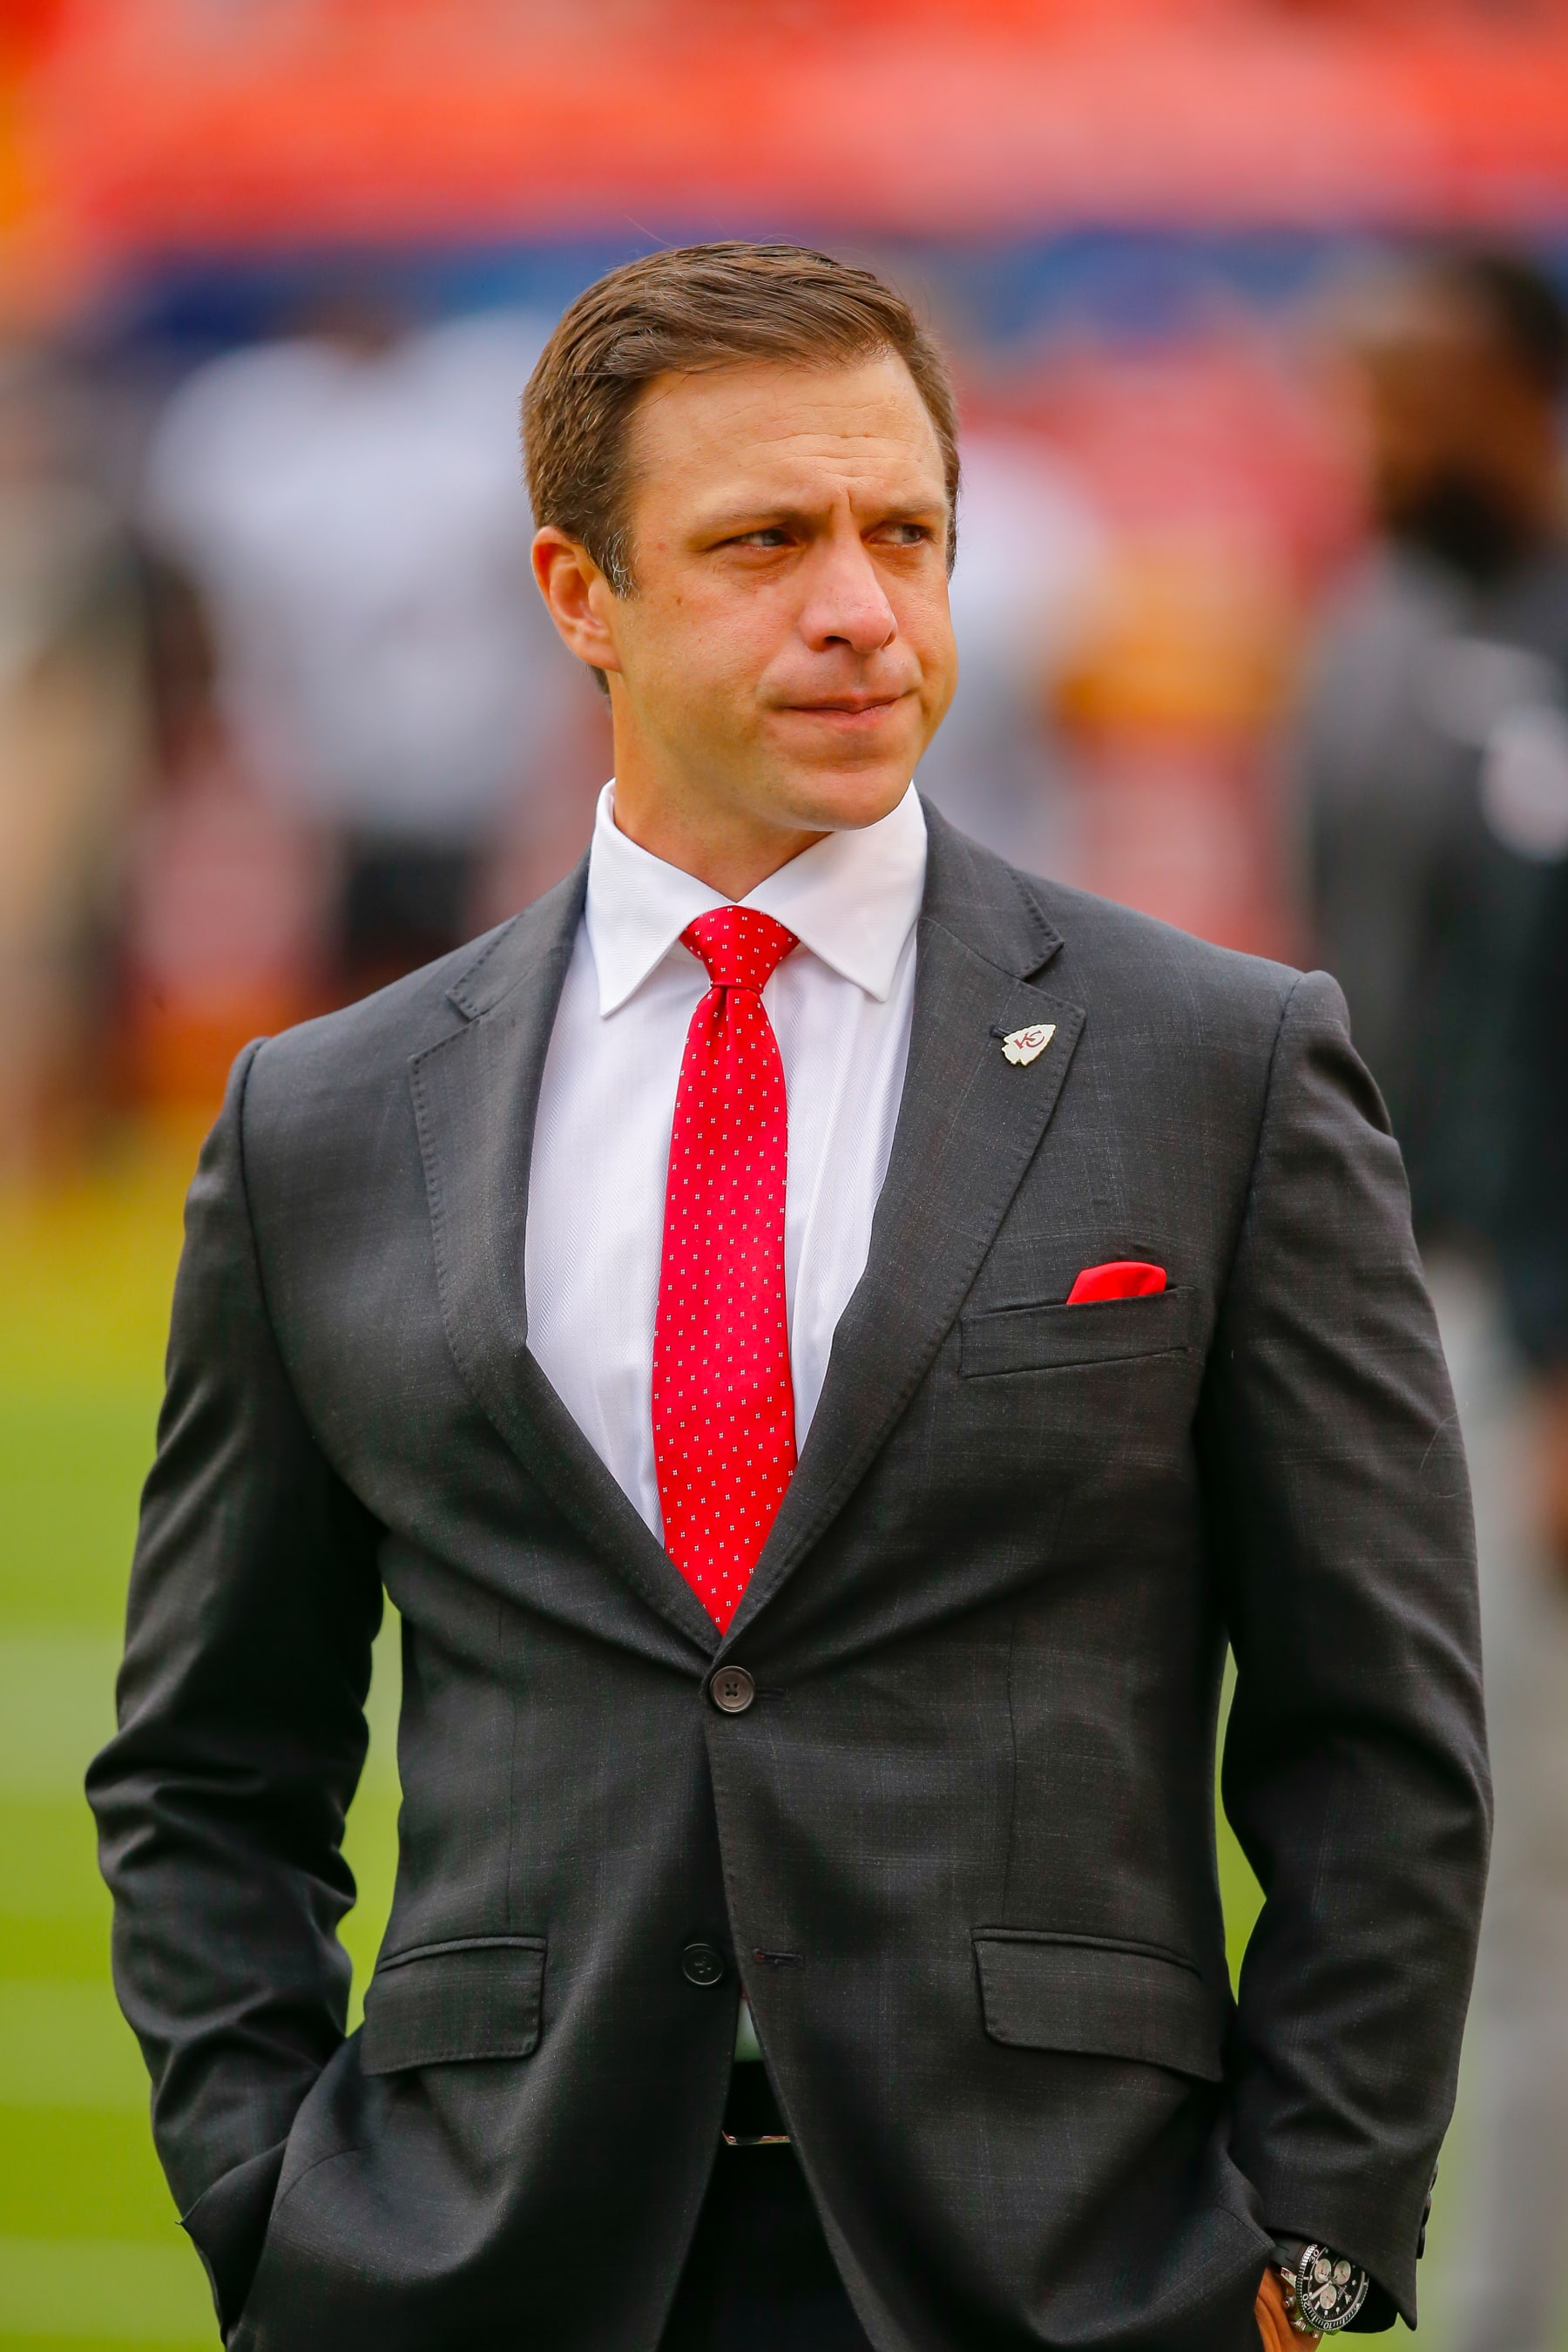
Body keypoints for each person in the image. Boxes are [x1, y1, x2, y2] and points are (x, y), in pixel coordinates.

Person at [89, 243, 1487, 2352]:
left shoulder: (1223, 1060)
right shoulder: (326, 1113)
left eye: (905, 533)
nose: (862, 607)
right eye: (765, 541)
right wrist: (276, 2207)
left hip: (1066, 2268)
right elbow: (211, 1760)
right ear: (579, 592)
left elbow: (1378, 1736)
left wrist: (1305, 2250)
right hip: (481, 2260)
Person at [1295, 244, 1568, 2352]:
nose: (1372, 435)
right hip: (1408, 1307)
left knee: (1529, 1866)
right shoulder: (1388, 632)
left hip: (1523, 1320)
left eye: (1409, 389)